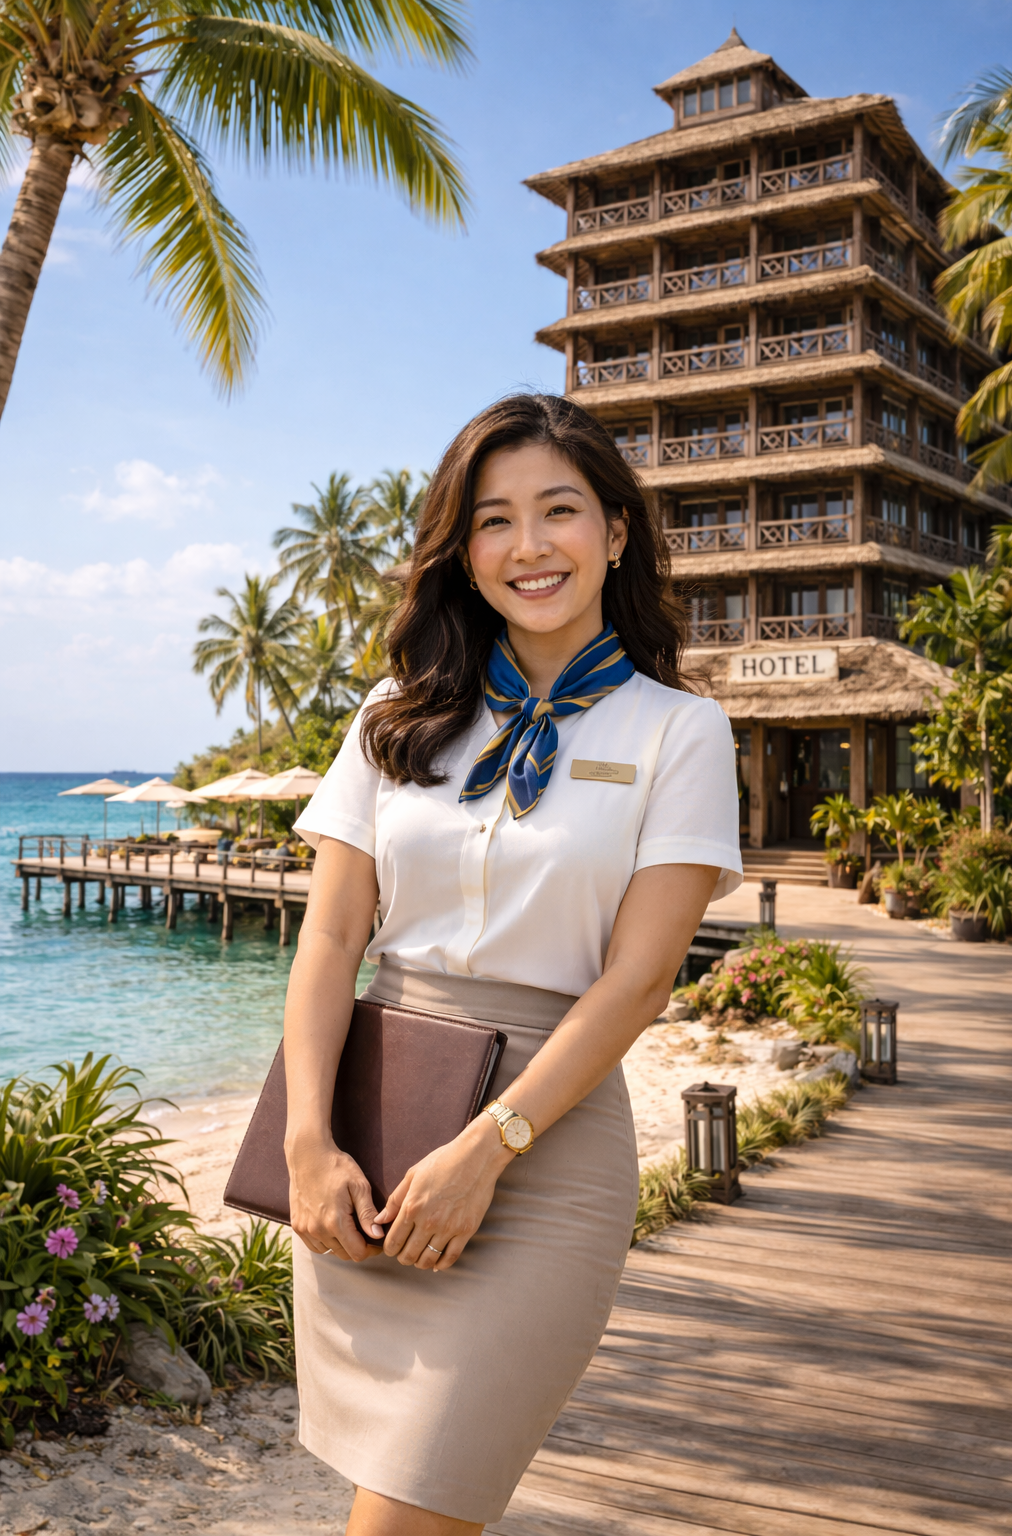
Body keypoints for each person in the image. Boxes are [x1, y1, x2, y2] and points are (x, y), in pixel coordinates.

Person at [286, 394, 742, 1535]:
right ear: (462, 548)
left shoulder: (678, 732)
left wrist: (489, 1150)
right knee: (389, 1494)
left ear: (616, 531)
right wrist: (306, 1141)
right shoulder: (392, 720)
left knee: (415, 1506)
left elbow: (636, 981)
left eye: (559, 511)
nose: (528, 547)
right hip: (375, 1130)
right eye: (494, 520)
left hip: (544, 1151)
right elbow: (333, 938)